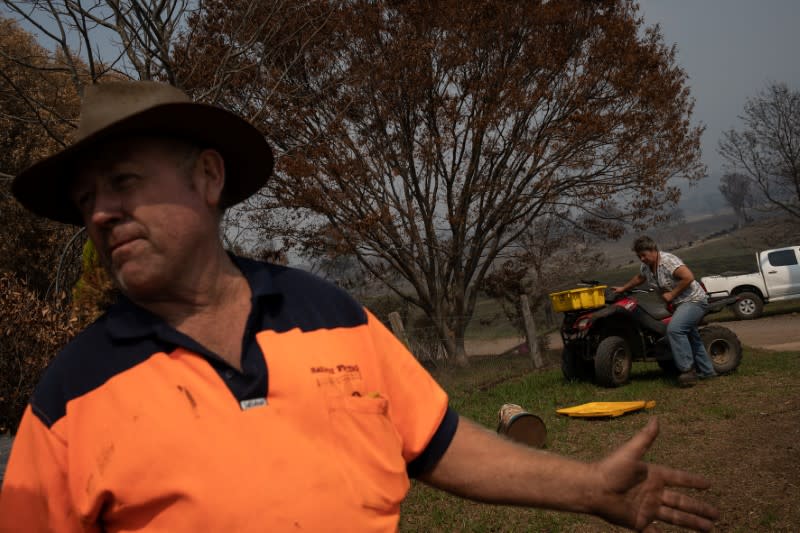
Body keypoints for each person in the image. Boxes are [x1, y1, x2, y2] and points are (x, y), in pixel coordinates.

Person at [0, 81, 719, 532]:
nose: (100, 213)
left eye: (122, 181)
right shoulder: (70, 397)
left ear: (209, 178)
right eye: (87, 197)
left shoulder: (326, 311)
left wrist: (590, 486)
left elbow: (433, 440)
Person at [614, 236, 717, 386]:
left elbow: (688, 277)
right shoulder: (646, 266)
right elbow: (639, 277)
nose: (642, 259)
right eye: (639, 256)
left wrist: (672, 294)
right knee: (691, 337)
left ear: (654, 250)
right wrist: (623, 288)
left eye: (644, 255)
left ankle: (687, 371)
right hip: (678, 305)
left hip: (693, 301)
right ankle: (708, 372)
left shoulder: (668, 261)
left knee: (675, 330)